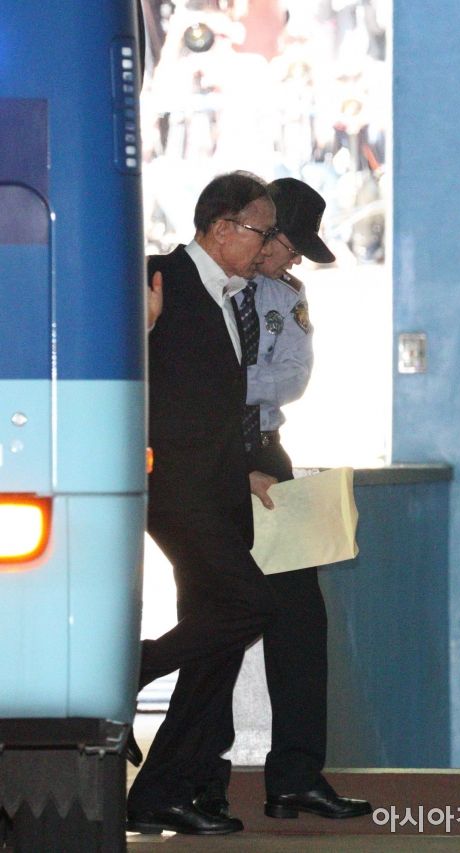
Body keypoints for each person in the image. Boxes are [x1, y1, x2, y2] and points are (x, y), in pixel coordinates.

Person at [189, 177, 373, 820]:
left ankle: (296, 776)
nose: (291, 258)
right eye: (288, 245)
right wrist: (229, 385)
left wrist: (223, 382)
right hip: (207, 460)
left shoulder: (284, 297)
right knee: (213, 618)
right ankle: (200, 780)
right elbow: (178, 383)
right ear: (259, 231)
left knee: (299, 619)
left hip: (267, 455)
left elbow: (292, 379)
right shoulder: (194, 284)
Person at [126, 171, 280, 837]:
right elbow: (111, 363)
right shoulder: (158, 278)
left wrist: (244, 469)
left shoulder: (235, 297)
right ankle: (131, 668)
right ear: (221, 227)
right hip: (173, 488)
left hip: (217, 489)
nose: (266, 245)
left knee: (219, 637)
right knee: (250, 605)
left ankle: (162, 791)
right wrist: (141, 328)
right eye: (260, 231)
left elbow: (212, 400)